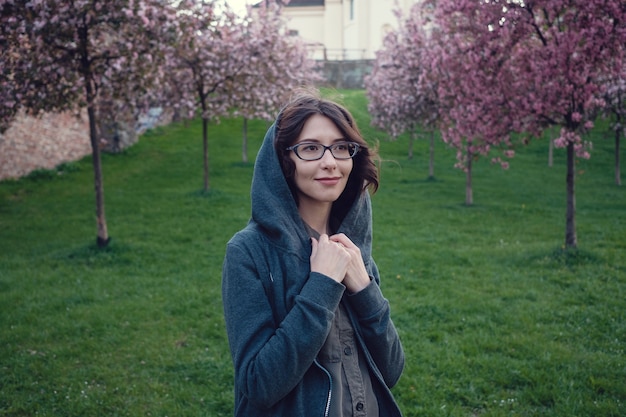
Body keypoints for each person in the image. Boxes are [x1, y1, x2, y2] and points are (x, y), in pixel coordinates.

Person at [222, 89, 405, 417]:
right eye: (310, 148)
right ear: (283, 161)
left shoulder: (353, 247)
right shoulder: (248, 252)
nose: (330, 162)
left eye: (340, 148)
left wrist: (364, 289)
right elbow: (259, 384)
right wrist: (321, 284)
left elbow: (390, 370)